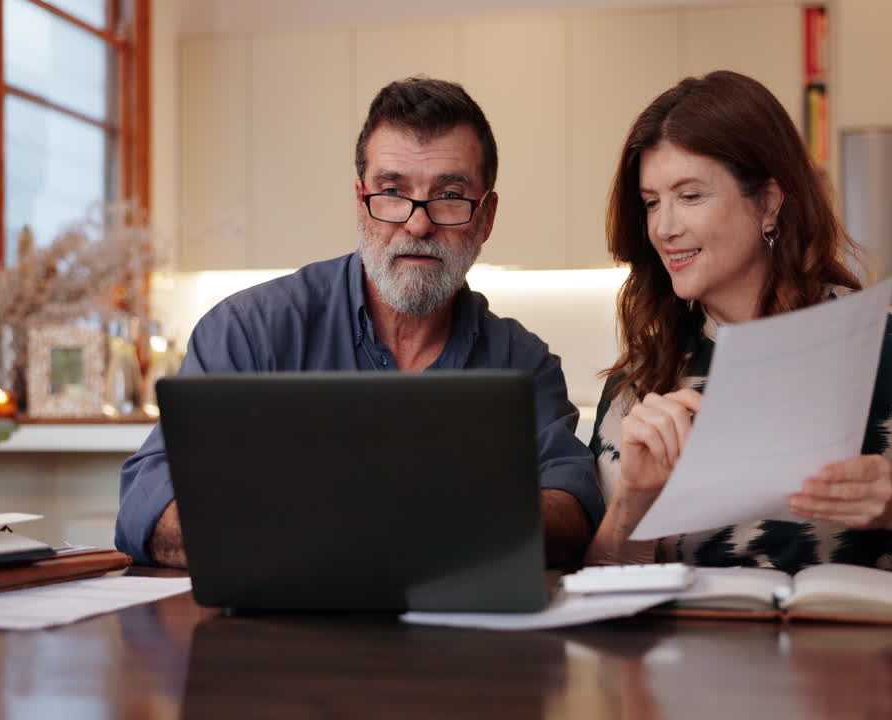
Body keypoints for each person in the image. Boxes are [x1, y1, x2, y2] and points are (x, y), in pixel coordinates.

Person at [584, 70, 892, 572]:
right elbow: (598, 590)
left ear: (768, 202)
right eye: (652, 203)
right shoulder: (641, 383)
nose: (665, 227)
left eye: (690, 196)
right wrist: (636, 500)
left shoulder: (882, 344)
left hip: (867, 653)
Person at [116, 77, 601, 569]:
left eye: (449, 194)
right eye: (392, 192)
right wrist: (359, 534)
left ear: (487, 216)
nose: (418, 224)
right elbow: (148, 505)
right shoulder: (249, 331)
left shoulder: (523, 362)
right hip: (277, 633)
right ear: (360, 201)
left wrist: (360, 527)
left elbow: (572, 509)